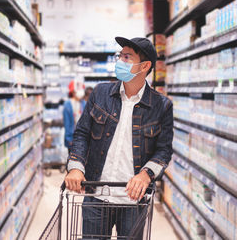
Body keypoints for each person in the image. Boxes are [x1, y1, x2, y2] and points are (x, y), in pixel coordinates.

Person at [64, 36, 173, 239]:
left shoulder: (162, 106)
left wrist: (146, 174)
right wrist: (76, 167)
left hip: (133, 202)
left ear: (145, 66)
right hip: (96, 195)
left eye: (127, 57)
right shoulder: (100, 93)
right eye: (120, 56)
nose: (120, 61)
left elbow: (164, 150)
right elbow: (81, 134)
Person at [63, 80, 86, 153]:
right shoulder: (68, 105)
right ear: (73, 92)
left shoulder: (84, 103)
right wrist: (69, 139)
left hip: (83, 138)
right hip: (72, 138)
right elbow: (67, 123)